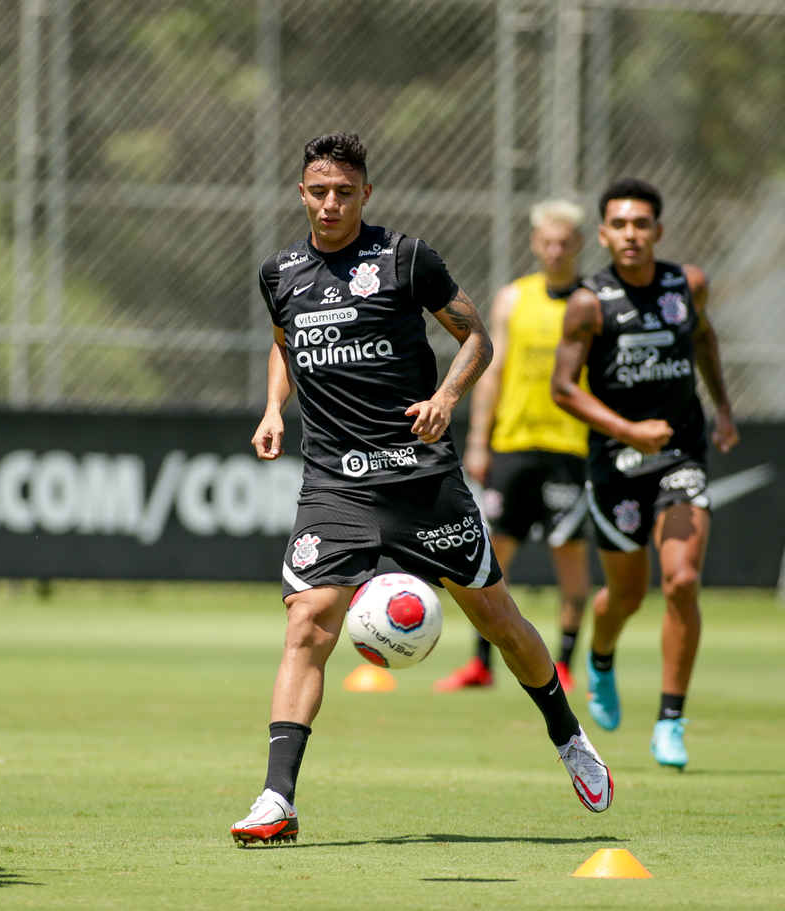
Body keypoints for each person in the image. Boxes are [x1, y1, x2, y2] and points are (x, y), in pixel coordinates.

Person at [230, 133, 612, 847]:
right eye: (320, 190)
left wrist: (445, 395)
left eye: (345, 190)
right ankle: (275, 797)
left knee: (496, 616)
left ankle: (568, 736)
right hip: (334, 485)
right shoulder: (279, 273)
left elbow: (475, 339)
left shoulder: (405, 258)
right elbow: (284, 341)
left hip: (420, 478)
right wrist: (273, 406)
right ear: (302, 193)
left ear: (365, 194)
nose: (332, 202)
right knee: (309, 620)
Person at [551, 178, 738, 771]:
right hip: (616, 466)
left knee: (681, 581)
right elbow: (562, 389)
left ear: (658, 230)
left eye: (641, 224)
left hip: (681, 457)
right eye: (619, 225)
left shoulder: (690, 284)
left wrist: (724, 408)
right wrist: (628, 431)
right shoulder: (589, 303)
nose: (631, 234)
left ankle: (671, 719)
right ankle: (601, 658)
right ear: (603, 234)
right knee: (625, 595)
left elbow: (704, 340)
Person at [435, 199, 591, 694]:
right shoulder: (512, 300)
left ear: (578, 244)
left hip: (571, 447)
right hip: (514, 444)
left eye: (565, 241)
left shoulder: (592, 303)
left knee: (568, 551)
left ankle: (564, 662)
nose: (556, 249)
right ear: (535, 243)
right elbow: (492, 370)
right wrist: (479, 440)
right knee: (491, 552)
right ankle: (482, 663)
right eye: (548, 240)